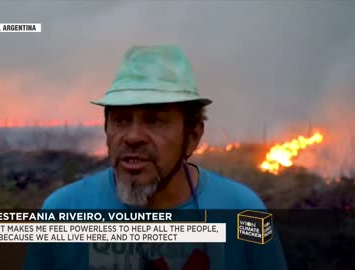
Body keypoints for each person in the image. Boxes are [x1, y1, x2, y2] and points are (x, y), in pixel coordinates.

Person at [23, 45, 287, 270]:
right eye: (121, 120)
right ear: (106, 130)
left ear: (192, 136)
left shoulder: (243, 211)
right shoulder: (62, 212)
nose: (133, 136)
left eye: (155, 121)